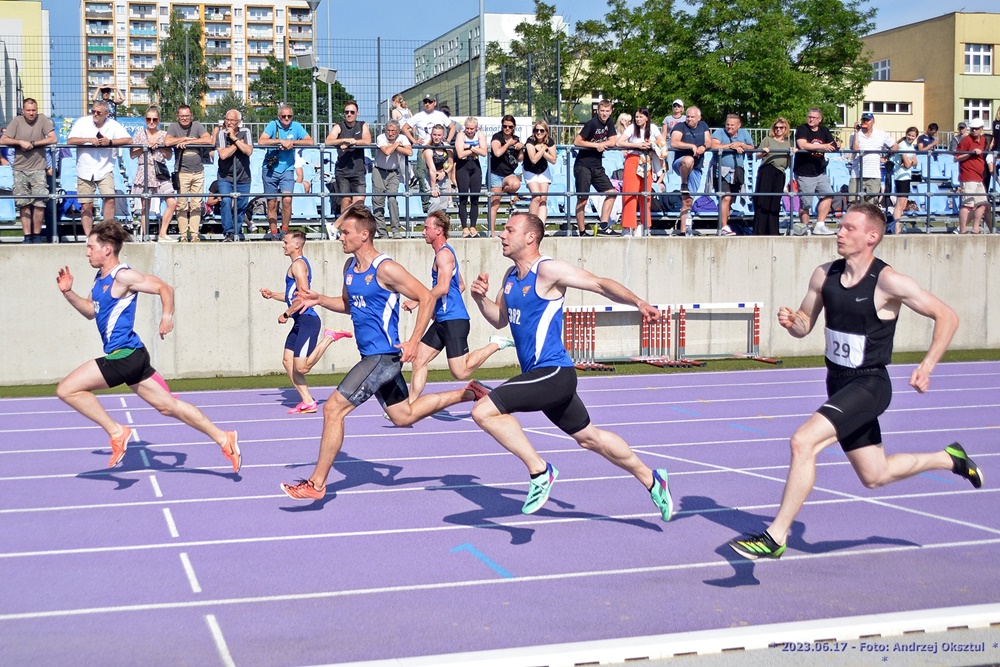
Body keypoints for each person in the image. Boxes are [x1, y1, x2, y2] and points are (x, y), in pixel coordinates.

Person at [728, 203, 980, 560]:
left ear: (871, 237)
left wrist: (927, 364)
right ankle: (950, 459)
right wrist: (792, 321)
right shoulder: (823, 275)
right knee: (875, 475)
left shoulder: (889, 281)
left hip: (870, 385)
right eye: (839, 226)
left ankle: (775, 536)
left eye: (849, 228)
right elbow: (804, 326)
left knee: (803, 442)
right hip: (838, 383)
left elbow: (947, 316)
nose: (839, 232)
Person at [467, 211, 672, 518]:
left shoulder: (548, 270)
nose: (501, 234)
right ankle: (652, 479)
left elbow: (599, 284)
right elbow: (500, 318)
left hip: (554, 373)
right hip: (542, 377)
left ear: (530, 237)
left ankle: (540, 471)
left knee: (483, 411)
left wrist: (638, 302)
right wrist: (480, 298)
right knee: (590, 438)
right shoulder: (510, 278)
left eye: (509, 230)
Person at [278, 205, 491, 500]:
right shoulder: (349, 268)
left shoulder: (386, 268)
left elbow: (427, 297)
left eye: (346, 232)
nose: (340, 237)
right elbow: (349, 305)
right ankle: (468, 393)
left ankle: (316, 484)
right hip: (371, 357)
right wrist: (319, 300)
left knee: (332, 409)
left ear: (364, 235)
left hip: (383, 357)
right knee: (404, 416)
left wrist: (415, 340)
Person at [55, 221, 241, 473]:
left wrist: (167, 316)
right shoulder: (100, 278)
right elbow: (91, 311)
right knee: (168, 406)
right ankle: (224, 437)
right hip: (132, 354)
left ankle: (116, 431)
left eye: (91, 247)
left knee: (67, 389)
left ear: (107, 249)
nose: (87, 252)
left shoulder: (123, 276)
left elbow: (165, 287)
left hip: (126, 356)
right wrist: (68, 293)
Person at [404, 210, 514, 401]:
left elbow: (444, 287)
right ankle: (410, 404)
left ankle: (496, 344)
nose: (423, 232)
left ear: (438, 230)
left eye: (426, 228)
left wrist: (419, 300)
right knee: (419, 359)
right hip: (443, 319)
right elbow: (459, 285)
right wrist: (438, 308)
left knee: (460, 372)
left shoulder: (444, 255)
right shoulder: (444, 254)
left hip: (454, 320)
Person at [260, 230, 351, 415]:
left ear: (297, 245)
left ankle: (330, 337)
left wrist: (286, 314)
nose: (283, 245)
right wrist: (273, 295)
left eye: (286, 242)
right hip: (300, 321)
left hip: (308, 320)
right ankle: (308, 402)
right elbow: (291, 295)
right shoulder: (295, 265)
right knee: (287, 362)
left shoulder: (299, 265)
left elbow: (303, 296)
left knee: (302, 367)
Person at [67, 101, 131, 236]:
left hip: (105, 168)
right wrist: (88, 139)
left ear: (106, 114)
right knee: (86, 205)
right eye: (93, 111)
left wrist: (110, 142)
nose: (95, 114)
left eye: (98, 113)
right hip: (84, 169)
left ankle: (107, 234)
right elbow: (70, 140)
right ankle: (89, 237)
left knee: (110, 200)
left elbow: (128, 140)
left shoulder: (113, 125)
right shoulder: (82, 122)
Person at [1, 98, 57, 243]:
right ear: (23, 111)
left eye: (34, 110)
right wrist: (19, 142)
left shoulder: (43, 119)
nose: (31, 113)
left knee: (39, 203)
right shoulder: (17, 121)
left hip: (39, 168)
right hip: (20, 168)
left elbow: (53, 138)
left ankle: (37, 235)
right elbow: (3, 139)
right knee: (23, 203)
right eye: (28, 110)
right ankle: (27, 236)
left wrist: (34, 144)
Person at [259, 104, 314, 241]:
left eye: (289, 116)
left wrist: (291, 142)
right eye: (283, 116)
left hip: (287, 169)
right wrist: (279, 141)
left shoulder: (296, 126)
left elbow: (310, 141)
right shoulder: (272, 125)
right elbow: (261, 141)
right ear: (279, 117)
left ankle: (284, 230)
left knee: (287, 200)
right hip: (270, 169)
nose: (286, 118)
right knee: (271, 203)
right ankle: (273, 233)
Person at [129, 105, 177, 243]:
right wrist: (145, 146)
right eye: (149, 119)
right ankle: (146, 235)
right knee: (145, 206)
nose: (151, 122)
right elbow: (132, 154)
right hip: (144, 170)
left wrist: (160, 146)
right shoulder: (139, 134)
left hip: (159, 172)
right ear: (145, 119)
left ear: (159, 120)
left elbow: (168, 156)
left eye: (154, 120)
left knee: (172, 202)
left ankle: (163, 233)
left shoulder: (163, 135)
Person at [164, 105, 211, 242]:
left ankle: (195, 235)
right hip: (182, 172)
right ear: (178, 117)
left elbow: (208, 139)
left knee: (197, 204)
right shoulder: (173, 127)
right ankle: (184, 235)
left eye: (187, 116)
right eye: (182, 116)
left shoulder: (197, 126)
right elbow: (167, 141)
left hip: (198, 171)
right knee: (182, 205)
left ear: (191, 116)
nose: (185, 118)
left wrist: (191, 141)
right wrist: (182, 139)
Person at [573, 100, 619, 236]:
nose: (604, 114)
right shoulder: (591, 124)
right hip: (583, 165)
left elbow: (613, 140)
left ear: (611, 112)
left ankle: (604, 225)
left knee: (612, 192)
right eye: (602, 111)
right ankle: (582, 231)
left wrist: (602, 144)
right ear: (598, 111)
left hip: (597, 166)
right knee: (583, 199)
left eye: (607, 111)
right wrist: (595, 146)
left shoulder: (609, 122)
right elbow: (577, 141)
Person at [792, 107, 839, 236]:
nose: (810, 119)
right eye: (809, 117)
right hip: (804, 172)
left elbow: (832, 144)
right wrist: (822, 146)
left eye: (813, 117)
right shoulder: (802, 129)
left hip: (820, 171)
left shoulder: (824, 130)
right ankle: (805, 228)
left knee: (828, 194)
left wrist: (835, 145)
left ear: (820, 119)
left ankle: (820, 225)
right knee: (806, 203)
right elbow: (803, 145)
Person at [401, 93, 451, 213]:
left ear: (435, 103)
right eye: (425, 102)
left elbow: (452, 127)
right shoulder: (419, 116)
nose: (427, 104)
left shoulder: (440, 115)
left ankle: (442, 208)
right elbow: (404, 127)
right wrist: (414, 140)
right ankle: (426, 206)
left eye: (429, 102)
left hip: (439, 148)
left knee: (441, 175)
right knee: (423, 177)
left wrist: (447, 140)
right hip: (424, 148)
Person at [617, 107, 661, 236]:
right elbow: (620, 142)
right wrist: (637, 145)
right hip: (633, 159)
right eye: (636, 117)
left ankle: (645, 225)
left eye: (641, 117)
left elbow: (662, 141)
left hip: (647, 160)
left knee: (645, 194)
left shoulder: (653, 128)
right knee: (630, 193)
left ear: (646, 117)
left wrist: (651, 144)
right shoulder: (631, 128)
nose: (638, 119)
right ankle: (627, 226)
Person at [711, 114, 755, 236]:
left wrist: (742, 145)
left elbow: (752, 147)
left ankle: (723, 226)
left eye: (732, 125)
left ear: (738, 126)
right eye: (727, 124)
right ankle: (723, 226)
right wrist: (730, 146)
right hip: (721, 171)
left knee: (730, 199)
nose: (729, 127)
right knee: (726, 197)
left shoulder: (744, 133)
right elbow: (713, 145)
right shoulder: (719, 132)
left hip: (737, 172)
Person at [670, 106, 712, 236]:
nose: (689, 119)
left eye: (692, 117)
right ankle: (684, 183)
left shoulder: (703, 125)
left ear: (699, 118)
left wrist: (703, 147)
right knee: (688, 160)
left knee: (688, 200)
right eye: (687, 116)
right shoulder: (680, 127)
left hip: (697, 167)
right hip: (681, 163)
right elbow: (674, 143)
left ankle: (684, 230)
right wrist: (691, 146)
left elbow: (709, 142)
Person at [325, 100, 371, 212]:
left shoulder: (362, 125)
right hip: (342, 171)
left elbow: (367, 141)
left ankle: (356, 228)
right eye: (346, 112)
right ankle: (344, 228)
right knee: (345, 201)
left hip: (358, 171)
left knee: (359, 203)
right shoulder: (339, 126)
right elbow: (328, 141)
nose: (349, 114)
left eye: (352, 112)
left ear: (357, 113)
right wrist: (344, 140)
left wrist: (352, 142)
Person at [215, 109, 253, 242]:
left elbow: (248, 151)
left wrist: (234, 139)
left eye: (232, 120)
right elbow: (223, 155)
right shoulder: (221, 134)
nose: (229, 123)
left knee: (241, 205)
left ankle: (237, 231)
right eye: (227, 119)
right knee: (225, 201)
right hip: (225, 176)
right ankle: (229, 232)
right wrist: (238, 144)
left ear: (239, 122)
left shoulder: (246, 132)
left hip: (243, 176)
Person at [372, 119, 412, 239]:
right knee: (378, 202)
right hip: (379, 171)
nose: (390, 133)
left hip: (394, 173)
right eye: (388, 130)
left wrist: (395, 147)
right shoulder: (380, 137)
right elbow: (387, 152)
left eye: (393, 131)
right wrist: (396, 145)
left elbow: (409, 152)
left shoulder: (403, 138)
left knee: (392, 200)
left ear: (398, 131)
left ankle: (396, 230)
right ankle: (382, 232)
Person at [751, 117, 791, 236]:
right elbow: (757, 155)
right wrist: (764, 151)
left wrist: (793, 153)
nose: (779, 130)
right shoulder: (768, 140)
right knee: (763, 200)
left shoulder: (788, 143)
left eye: (781, 128)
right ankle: (759, 231)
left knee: (775, 201)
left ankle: (773, 231)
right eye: (776, 127)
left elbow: (788, 163)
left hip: (780, 173)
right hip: (768, 170)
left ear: (785, 129)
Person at [849, 112, 897, 205]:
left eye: (868, 120)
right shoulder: (854, 134)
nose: (866, 122)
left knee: (871, 204)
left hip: (874, 174)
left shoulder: (881, 134)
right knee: (854, 203)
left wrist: (886, 157)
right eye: (864, 120)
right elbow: (855, 150)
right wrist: (856, 132)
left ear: (873, 121)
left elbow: (895, 146)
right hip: (857, 174)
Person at [488, 114, 523, 236]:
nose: (507, 129)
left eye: (510, 127)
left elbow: (520, 159)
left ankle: (501, 191)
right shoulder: (497, 137)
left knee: (516, 184)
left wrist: (520, 148)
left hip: (508, 173)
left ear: (514, 127)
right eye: (505, 126)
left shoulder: (516, 138)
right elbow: (497, 153)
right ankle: (492, 231)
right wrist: (508, 144)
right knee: (495, 204)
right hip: (496, 173)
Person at [454, 116, 487, 238]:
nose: (469, 131)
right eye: (467, 128)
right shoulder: (461, 135)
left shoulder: (480, 134)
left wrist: (469, 148)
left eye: (472, 129)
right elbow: (460, 153)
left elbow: (484, 152)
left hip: (475, 166)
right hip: (463, 166)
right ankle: (464, 227)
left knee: (475, 198)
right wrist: (475, 150)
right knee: (463, 198)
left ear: (476, 128)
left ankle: (473, 226)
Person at [955, 117, 989, 234]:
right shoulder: (966, 141)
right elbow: (956, 158)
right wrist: (970, 153)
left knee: (983, 203)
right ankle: (963, 230)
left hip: (979, 177)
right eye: (972, 129)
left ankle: (976, 229)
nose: (973, 131)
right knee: (967, 204)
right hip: (968, 176)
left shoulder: (983, 140)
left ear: (981, 129)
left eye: (976, 129)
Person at [523, 119, 558, 231]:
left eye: (541, 130)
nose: (538, 133)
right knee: (536, 196)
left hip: (543, 170)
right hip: (530, 170)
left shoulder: (550, 141)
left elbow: (553, 160)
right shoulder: (530, 141)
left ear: (546, 132)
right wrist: (543, 149)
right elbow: (533, 159)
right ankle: (531, 225)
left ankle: (541, 227)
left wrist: (542, 150)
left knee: (543, 198)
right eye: (536, 130)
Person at [890, 126, 919, 233]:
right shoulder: (902, 145)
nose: (910, 137)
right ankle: (896, 227)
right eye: (909, 135)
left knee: (903, 204)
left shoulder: (911, 146)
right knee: (899, 204)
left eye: (913, 136)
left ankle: (897, 226)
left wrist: (910, 162)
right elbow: (907, 164)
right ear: (906, 134)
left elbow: (915, 162)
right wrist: (910, 162)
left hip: (907, 177)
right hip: (901, 177)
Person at [425, 123, 453, 215]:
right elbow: (432, 170)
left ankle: (441, 227)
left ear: (443, 136)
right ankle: (429, 225)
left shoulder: (447, 147)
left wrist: (444, 173)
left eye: (439, 135)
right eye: (434, 135)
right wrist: (433, 187)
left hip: (443, 177)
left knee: (443, 206)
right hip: (432, 178)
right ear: (431, 135)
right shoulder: (428, 150)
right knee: (435, 203)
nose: (436, 137)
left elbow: (451, 163)